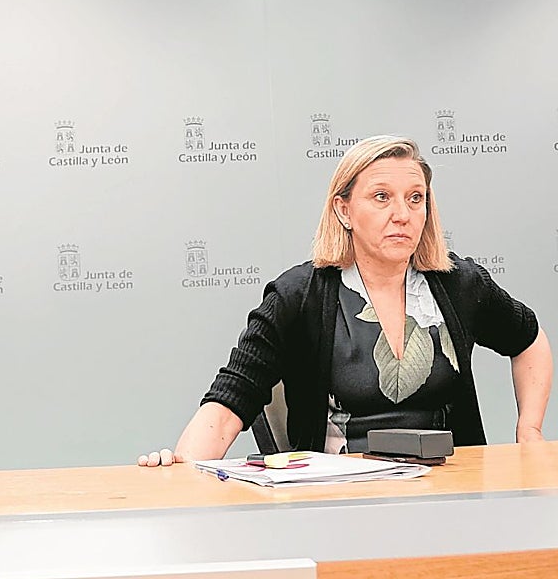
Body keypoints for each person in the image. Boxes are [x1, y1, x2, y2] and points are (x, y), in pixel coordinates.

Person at [141, 135, 551, 466]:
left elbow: (528, 340)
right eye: (381, 197)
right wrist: (182, 468)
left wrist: (529, 430)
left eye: (415, 198)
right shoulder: (297, 296)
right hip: (338, 501)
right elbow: (231, 398)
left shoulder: (459, 284)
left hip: (453, 491)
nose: (403, 214)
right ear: (344, 210)